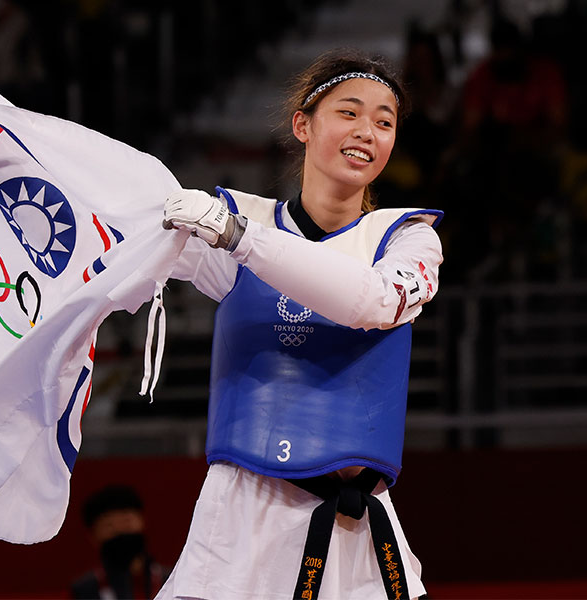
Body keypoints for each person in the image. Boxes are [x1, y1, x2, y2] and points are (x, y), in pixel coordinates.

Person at [157, 49, 443, 600]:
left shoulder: (406, 239)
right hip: (239, 520)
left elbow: (372, 303)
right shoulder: (237, 221)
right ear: (303, 125)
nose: (367, 131)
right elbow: (121, 233)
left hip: (356, 528)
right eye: (349, 113)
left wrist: (241, 239)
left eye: (385, 122)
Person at [71, 485, 170, 600]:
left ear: (142, 521)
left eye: (126, 521)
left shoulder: (172, 580)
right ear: (93, 536)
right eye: (109, 526)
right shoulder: (85, 589)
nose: (120, 530)